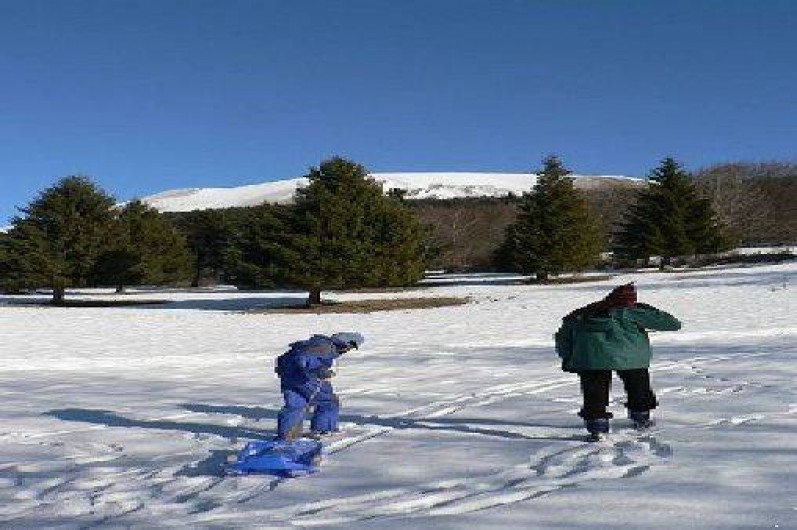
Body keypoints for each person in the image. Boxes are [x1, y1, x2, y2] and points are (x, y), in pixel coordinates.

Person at [555, 283, 681, 437]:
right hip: (631, 358)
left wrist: (567, 357)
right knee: (638, 387)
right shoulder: (632, 313)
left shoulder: (583, 314)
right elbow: (673, 324)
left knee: (594, 393)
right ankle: (641, 419)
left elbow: (563, 338)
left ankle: (597, 427)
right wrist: (648, 310)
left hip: (590, 358)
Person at [274, 332, 365, 440]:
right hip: (306, 379)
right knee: (329, 402)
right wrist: (320, 371)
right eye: (351, 346)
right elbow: (303, 359)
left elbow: (285, 358)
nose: (348, 350)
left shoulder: (315, 343)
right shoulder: (325, 347)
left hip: (288, 377)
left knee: (295, 405)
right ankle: (323, 430)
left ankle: (287, 435)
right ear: (346, 342)